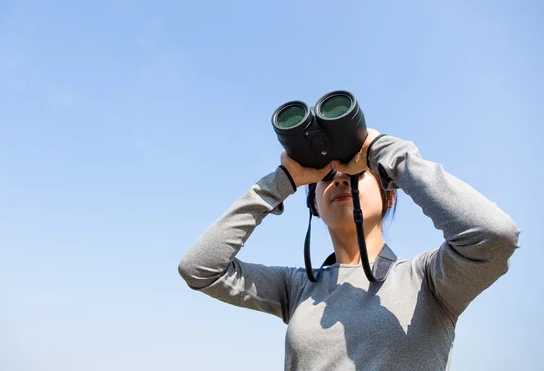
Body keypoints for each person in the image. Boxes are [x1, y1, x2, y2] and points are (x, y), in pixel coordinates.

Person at [178, 128, 520, 370]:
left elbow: (495, 235)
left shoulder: (428, 279)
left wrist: (385, 152)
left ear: (389, 193)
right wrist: (283, 180)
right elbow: (199, 269)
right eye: (326, 178)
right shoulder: (298, 288)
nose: (339, 179)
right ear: (313, 202)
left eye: (356, 174)